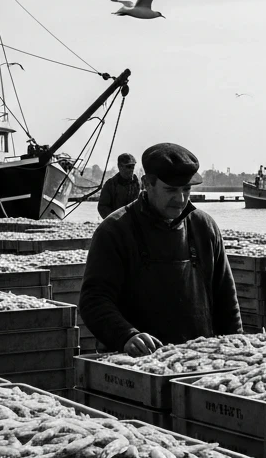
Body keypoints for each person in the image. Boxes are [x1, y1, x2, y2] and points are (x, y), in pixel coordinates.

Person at [80, 142, 242, 355]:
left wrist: (237, 349)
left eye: (186, 190)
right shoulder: (115, 230)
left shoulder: (204, 227)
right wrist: (126, 335)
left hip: (197, 360)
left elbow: (226, 301)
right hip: (136, 364)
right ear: (147, 183)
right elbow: (94, 300)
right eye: (171, 190)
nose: (181, 199)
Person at [97, 153, 141, 219]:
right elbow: (102, 207)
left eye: (133, 166)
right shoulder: (110, 185)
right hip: (116, 224)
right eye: (128, 166)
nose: (131, 169)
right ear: (119, 166)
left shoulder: (137, 183)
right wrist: (114, 220)